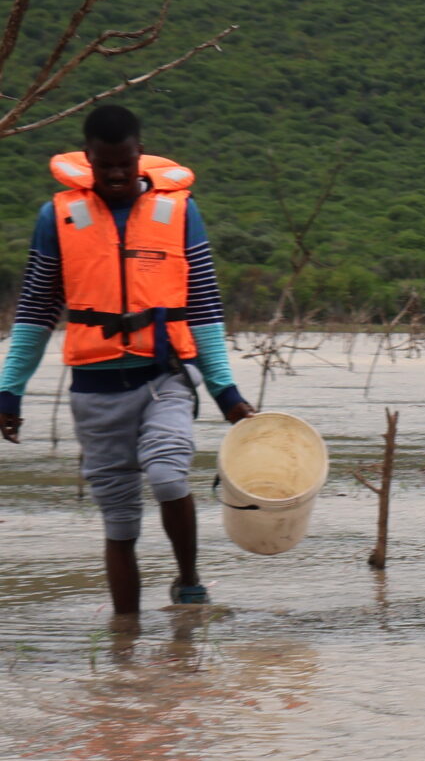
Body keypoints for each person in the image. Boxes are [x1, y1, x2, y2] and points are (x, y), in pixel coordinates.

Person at [0, 105, 256, 612]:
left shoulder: (180, 212)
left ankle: (188, 582)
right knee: (120, 524)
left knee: (166, 476)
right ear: (88, 159)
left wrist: (226, 392)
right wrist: (9, 391)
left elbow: (202, 306)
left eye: (124, 163)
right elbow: (35, 312)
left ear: (140, 155)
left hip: (162, 378)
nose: (115, 175)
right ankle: (125, 642)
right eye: (104, 165)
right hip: (94, 393)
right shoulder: (58, 217)